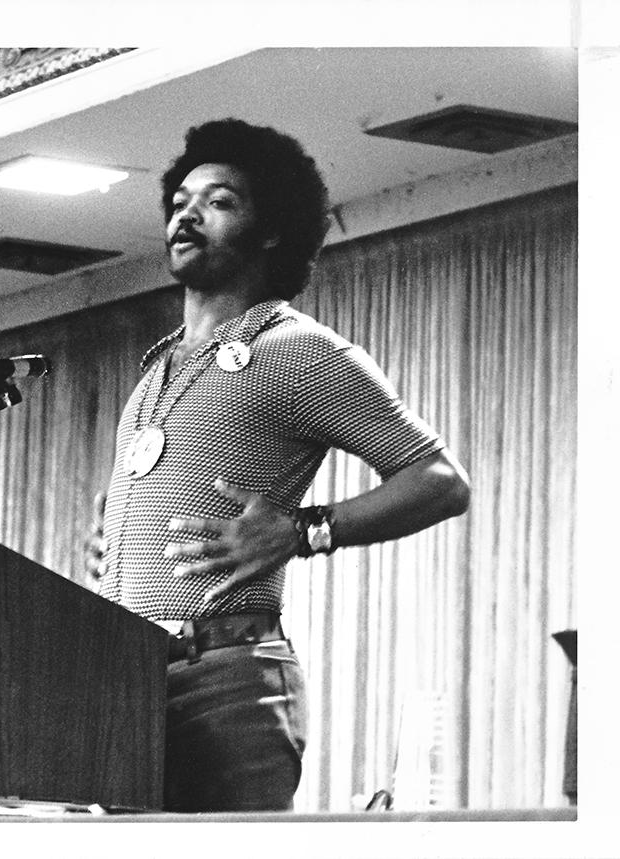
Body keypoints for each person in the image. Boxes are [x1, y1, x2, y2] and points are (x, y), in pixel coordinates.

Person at [84, 118, 471, 812]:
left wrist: (303, 529)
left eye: (220, 200)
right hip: (124, 685)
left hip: (227, 683)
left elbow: (440, 481)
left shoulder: (300, 352)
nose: (188, 213)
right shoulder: (153, 373)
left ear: (271, 231)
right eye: (180, 201)